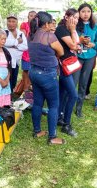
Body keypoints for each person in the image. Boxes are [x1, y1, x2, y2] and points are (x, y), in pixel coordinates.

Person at [28, 11, 64, 145]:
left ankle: (37, 131)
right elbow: (61, 52)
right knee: (54, 105)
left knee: (38, 102)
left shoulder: (31, 35)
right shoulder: (50, 36)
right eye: (51, 23)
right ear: (47, 24)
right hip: (48, 74)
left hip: (34, 72)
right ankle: (52, 137)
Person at [54, 8, 80, 137]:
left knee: (62, 93)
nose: (75, 20)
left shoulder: (68, 30)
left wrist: (73, 31)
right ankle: (66, 124)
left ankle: (58, 117)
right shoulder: (61, 29)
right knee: (73, 95)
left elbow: (77, 43)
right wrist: (73, 30)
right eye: (74, 17)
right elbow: (74, 46)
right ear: (66, 17)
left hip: (68, 66)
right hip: (63, 67)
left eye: (77, 18)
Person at [73, 3, 97, 118]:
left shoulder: (94, 26)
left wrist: (93, 44)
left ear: (91, 13)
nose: (86, 14)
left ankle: (79, 108)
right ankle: (68, 107)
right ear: (79, 13)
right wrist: (80, 41)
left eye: (88, 11)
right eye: (83, 11)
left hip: (89, 58)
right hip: (77, 57)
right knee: (73, 83)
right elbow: (70, 40)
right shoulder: (75, 25)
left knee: (83, 84)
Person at [5, 14, 28, 92]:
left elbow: (25, 46)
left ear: (16, 23)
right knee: (5, 81)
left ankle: (9, 99)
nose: (11, 23)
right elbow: (4, 43)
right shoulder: (4, 32)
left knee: (13, 81)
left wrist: (14, 46)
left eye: (13, 21)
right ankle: (4, 100)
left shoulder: (20, 33)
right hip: (5, 63)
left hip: (16, 62)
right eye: (9, 21)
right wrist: (17, 42)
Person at [20, 11, 36, 92]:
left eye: (34, 16)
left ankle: (31, 89)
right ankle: (25, 89)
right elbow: (23, 38)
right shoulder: (24, 25)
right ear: (28, 17)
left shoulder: (39, 27)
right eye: (31, 16)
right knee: (26, 71)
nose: (33, 17)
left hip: (35, 53)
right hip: (26, 52)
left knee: (33, 72)